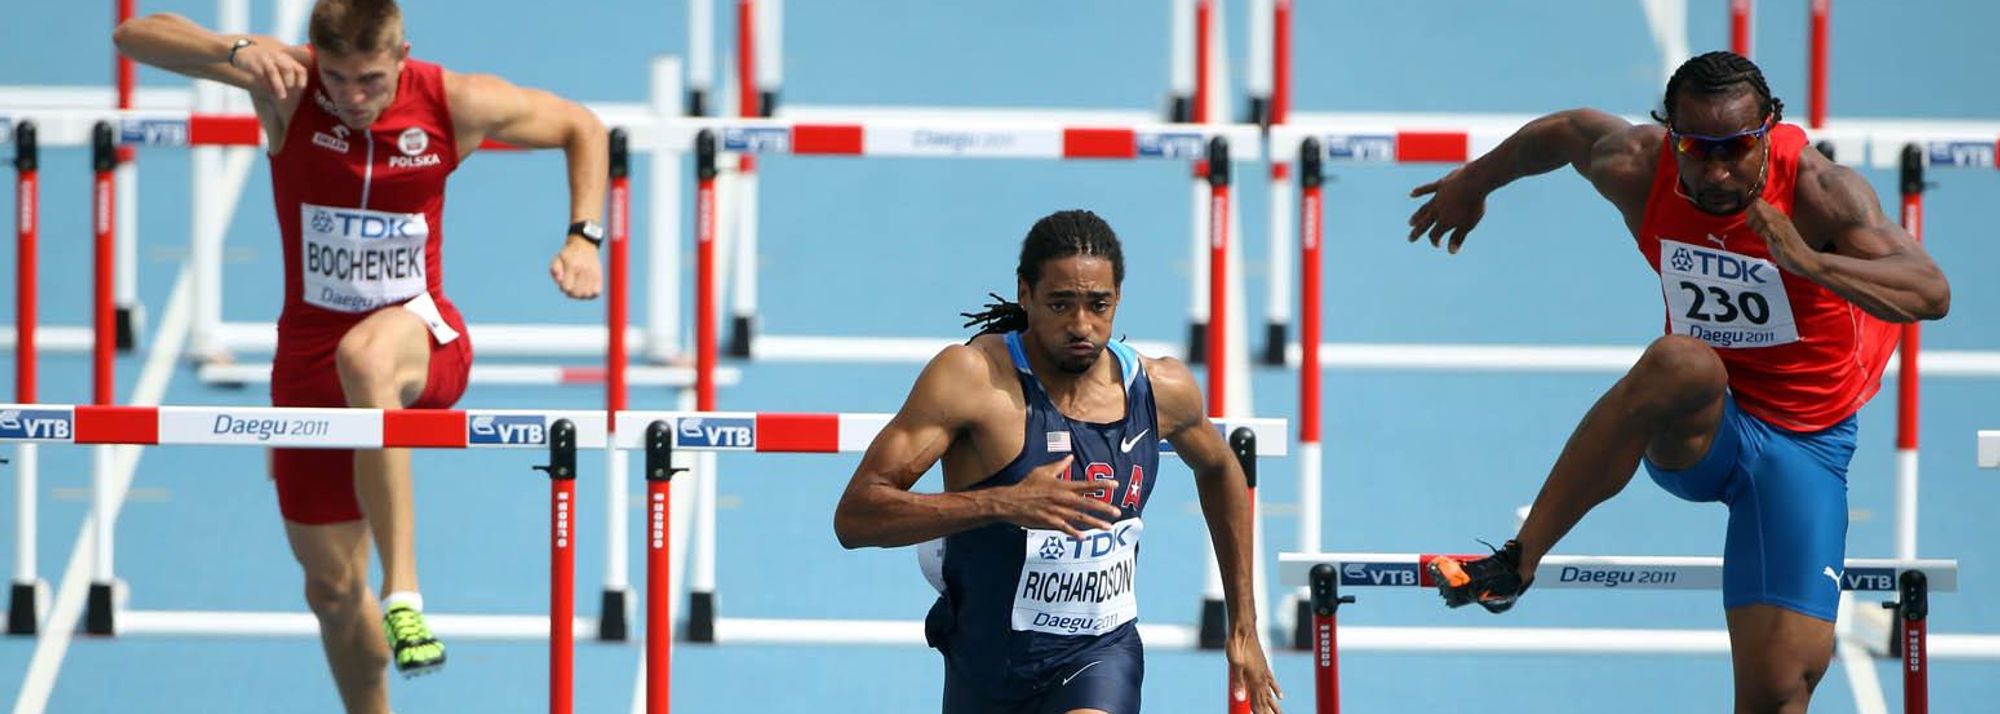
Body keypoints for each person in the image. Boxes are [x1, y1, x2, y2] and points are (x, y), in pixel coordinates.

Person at [1407, 51, 1950, 713]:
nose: (1717, 171)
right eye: (1696, 149)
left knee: (1780, 692)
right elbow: (1567, 132)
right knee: (1682, 361)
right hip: (1701, 426)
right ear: (1670, 135)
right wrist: (1474, 182)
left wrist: (1808, 262)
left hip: (1804, 442)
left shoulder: (1821, 192)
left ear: (1769, 130)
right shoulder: (1637, 166)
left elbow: (1930, 292)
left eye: (1737, 149)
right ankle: (1517, 561)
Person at [114, 1, 606, 710]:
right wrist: (237, 50)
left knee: (367, 357)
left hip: (419, 339)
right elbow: (134, 35)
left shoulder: (452, 100)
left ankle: (404, 592)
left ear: (402, 55)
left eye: (370, 79)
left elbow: (581, 126)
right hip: (307, 364)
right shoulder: (287, 85)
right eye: (338, 78)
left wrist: (583, 237)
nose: (351, 97)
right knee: (332, 593)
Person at [833, 210, 1282, 714]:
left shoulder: (1161, 389)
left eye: (1098, 305)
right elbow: (856, 517)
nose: (1081, 325)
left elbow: (1221, 468)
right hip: (985, 662)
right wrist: (1001, 503)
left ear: (1118, 298)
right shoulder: (973, 381)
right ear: (1025, 294)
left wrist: (1244, 625)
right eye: (1061, 304)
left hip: (1100, 654)